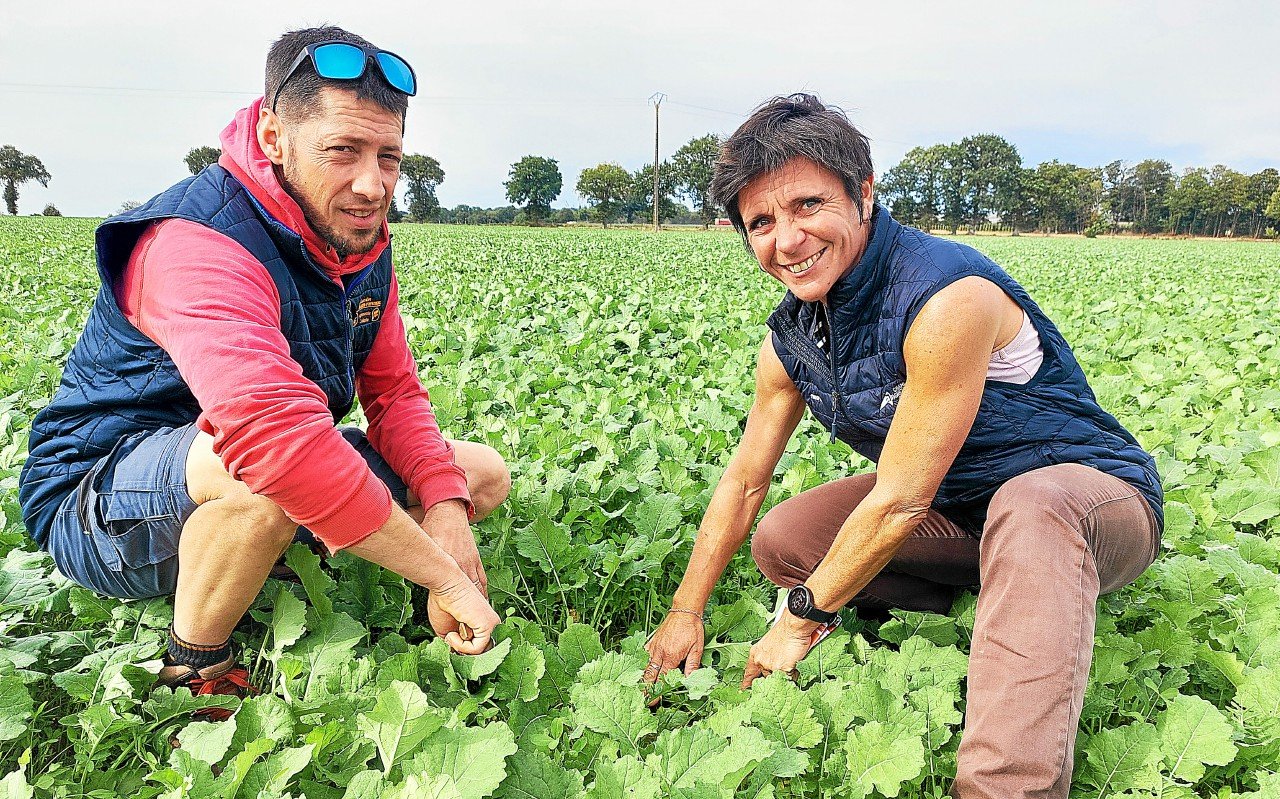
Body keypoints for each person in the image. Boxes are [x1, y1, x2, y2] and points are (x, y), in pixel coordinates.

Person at [643, 94, 1162, 798]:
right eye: (761, 222)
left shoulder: (945, 295)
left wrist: (801, 618)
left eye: (806, 205)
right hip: (963, 508)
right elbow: (743, 482)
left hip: (1090, 500)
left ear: (863, 193)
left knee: (1032, 506)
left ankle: (1004, 785)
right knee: (788, 541)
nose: (786, 240)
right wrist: (685, 611)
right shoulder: (791, 338)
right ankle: (1015, 601)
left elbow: (899, 501)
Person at [19, 27, 508, 709]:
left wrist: (448, 515)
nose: (372, 185)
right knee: (263, 474)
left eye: (388, 156)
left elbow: (395, 394)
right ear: (274, 138)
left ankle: (261, 554)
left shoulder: (356, 238)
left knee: (477, 473)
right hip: (100, 498)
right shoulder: (197, 242)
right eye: (343, 151)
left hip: (246, 467)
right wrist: (446, 578)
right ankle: (195, 668)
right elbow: (274, 441)